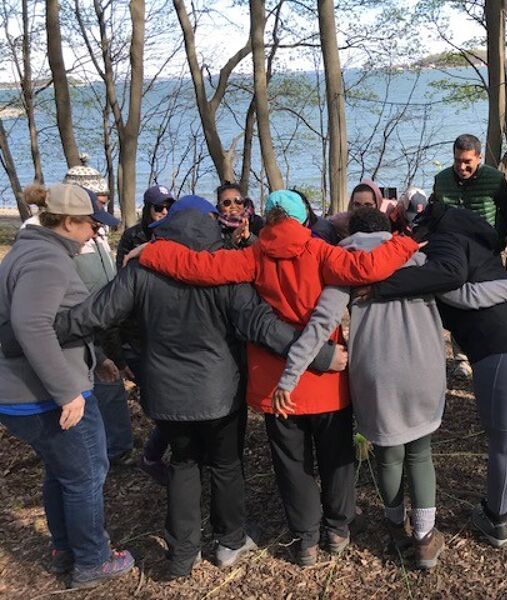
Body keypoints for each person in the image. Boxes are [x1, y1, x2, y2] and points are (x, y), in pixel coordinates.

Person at [48, 196, 345, 579]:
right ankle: (229, 541)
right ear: (209, 226)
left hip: (166, 394)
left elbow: (94, 315)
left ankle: (182, 555)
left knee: (183, 465)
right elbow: (262, 325)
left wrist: (30, 333)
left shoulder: (143, 269)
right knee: (226, 464)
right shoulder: (225, 270)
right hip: (220, 392)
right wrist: (319, 356)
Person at [126, 189, 419, 566]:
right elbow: (368, 268)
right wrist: (407, 243)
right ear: (302, 220)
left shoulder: (251, 256)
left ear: (268, 216)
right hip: (327, 377)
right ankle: (338, 528)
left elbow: (199, 267)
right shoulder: (322, 252)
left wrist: (151, 252)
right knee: (336, 456)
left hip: (276, 383)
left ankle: (307, 539)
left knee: (291, 463)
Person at [272, 207, 507, 569]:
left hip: (374, 371)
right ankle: (424, 538)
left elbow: (320, 324)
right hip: (423, 367)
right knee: (420, 453)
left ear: (351, 234)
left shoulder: (345, 265)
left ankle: (393, 524)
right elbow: (470, 296)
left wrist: (289, 376)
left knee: (387, 454)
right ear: (389, 231)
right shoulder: (417, 258)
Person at [362, 203, 507, 549]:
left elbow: (458, 286)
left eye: (414, 229)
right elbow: (476, 291)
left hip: (506, 350)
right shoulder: (477, 247)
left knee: (502, 441)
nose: (411, 236)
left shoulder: (445, 244)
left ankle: (494, 519)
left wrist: (378, 285)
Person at [0, 183, 134, 589]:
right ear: (68, 221)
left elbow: (57, 323)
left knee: (63, 470)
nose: (94, 233)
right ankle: (92, 559)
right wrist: (66, 392)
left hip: (25, 391)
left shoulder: (29, 250)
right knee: (86, 473)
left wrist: (98, 359)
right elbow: (31, 325)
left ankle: (65, 547)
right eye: (91, 225)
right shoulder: (46, 260)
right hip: (43, 395)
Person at [430, 134, 507, 379]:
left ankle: (492, 349)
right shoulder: (442, 180)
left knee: (491, 300)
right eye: (457, 161)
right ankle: (462, 358)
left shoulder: (495, 180)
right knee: (457, 303)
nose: (462, 167)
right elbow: (435, 214)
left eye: (467, 161)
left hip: (487, 251)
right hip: (454, 252)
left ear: (479, 157)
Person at [115, 184, 176, 485]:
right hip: (140, 336)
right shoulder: (132, 238)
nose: (163, 213)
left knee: (173, 404)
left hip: (167, 332)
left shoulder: (174, 233)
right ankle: (152, 457)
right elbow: (125, 285)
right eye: (158, 207)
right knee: (167, 407)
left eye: (168, 207)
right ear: (146, 210)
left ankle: (166, 456)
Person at [311, 179, 399, 245]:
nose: (362, 209)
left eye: (368, 204)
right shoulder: (339, 221)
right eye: (357, 204)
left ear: (377, 204)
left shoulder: (387, 220)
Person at [216, 182, 265, 248]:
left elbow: (266, 250)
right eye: (227, 202)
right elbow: (214, 255)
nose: (233, 206)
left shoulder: (257, 222)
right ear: (219, 206)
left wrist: (249, 238)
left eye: (238, 200)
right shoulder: (215, 226)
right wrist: (232, 242)